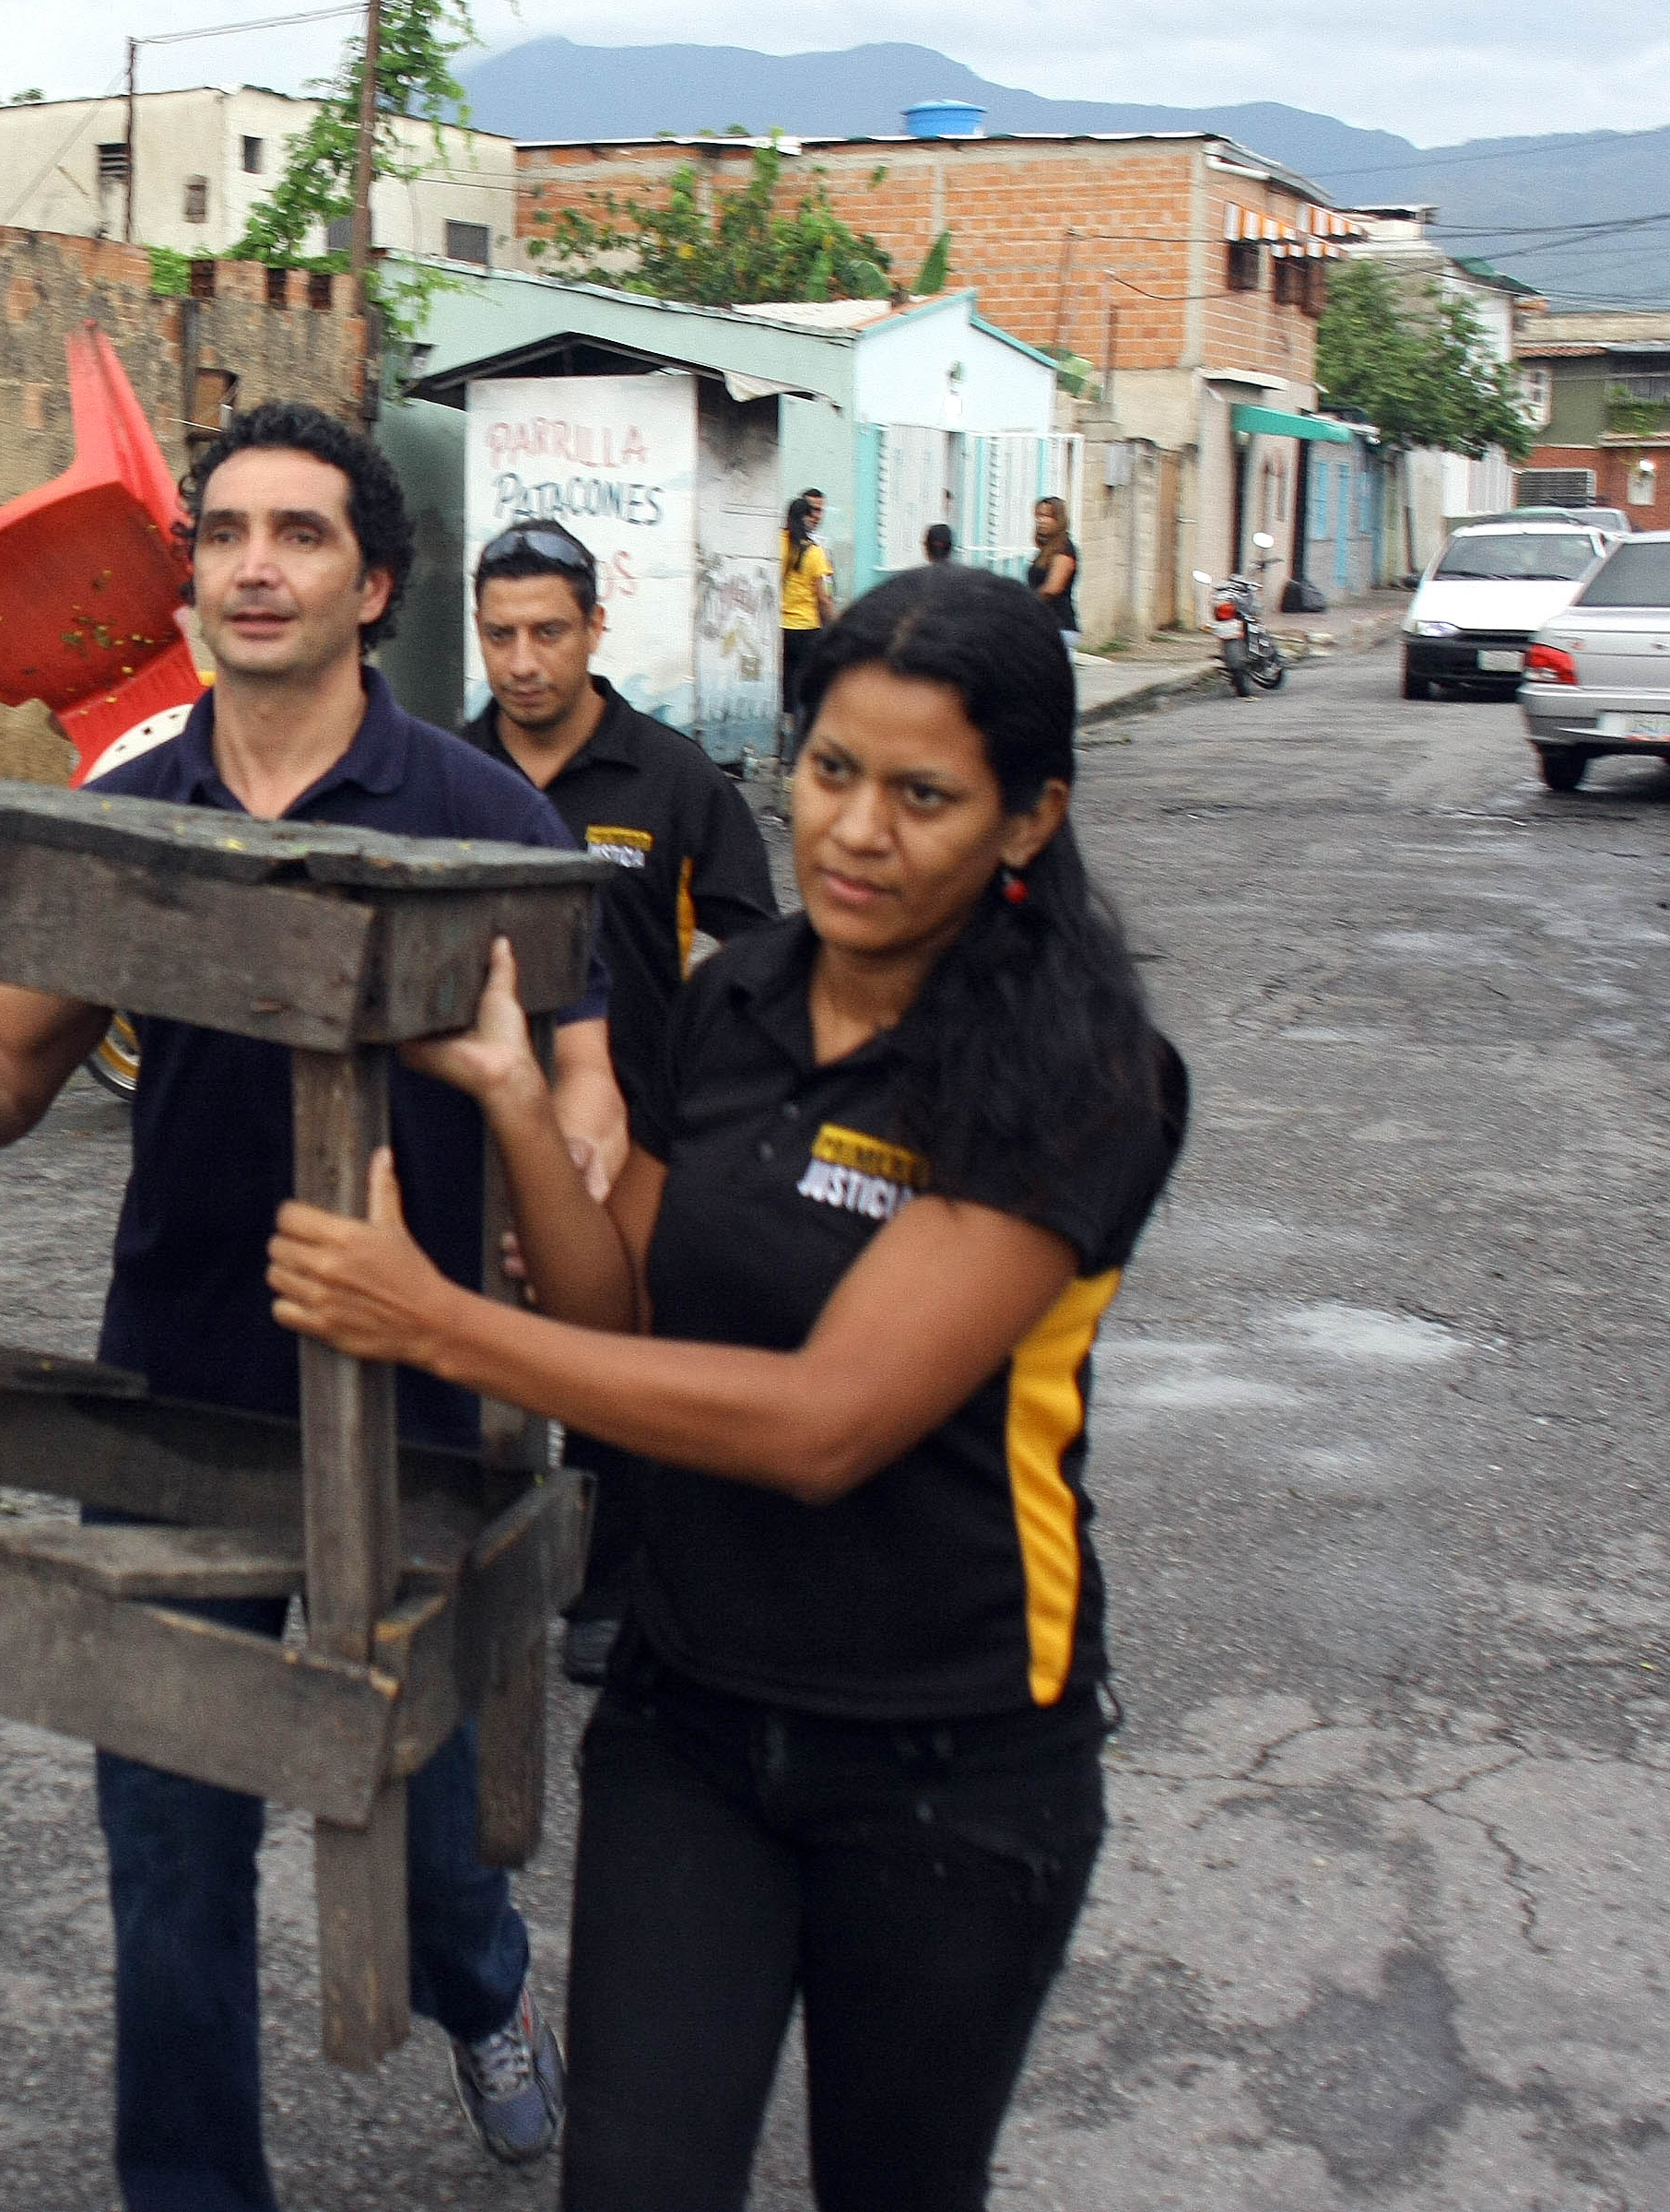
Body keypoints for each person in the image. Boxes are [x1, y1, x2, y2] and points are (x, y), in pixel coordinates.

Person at [0, 405, 622, 2205]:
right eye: (225, 532)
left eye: (299, 536)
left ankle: (487, 1990)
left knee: (435, 1831)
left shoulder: (488, 821)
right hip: (168, 1408)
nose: (254, 565)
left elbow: (586, 1107)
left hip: (417, 1416)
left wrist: (565, 1224)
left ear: (372, 585)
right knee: (169, 1855)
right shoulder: (124, 819)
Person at [267, 564, 1188, 2212]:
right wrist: (516, 1103)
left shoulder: (1082, 1071)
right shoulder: (735, 1002)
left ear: (1029, 819)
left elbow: (826, 1426)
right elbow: (617, 1309)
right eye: (833, 771)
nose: (856, 829)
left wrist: (440, 1326)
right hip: (691, 1720)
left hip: (953, 1758)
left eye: (926, 796)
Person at [456, 517, 779, 1686]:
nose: (525, 660)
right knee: (472, 1360)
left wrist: (701, 1120)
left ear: (596, 629)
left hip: (632, 1146)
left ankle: (609, 1584)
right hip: (471, 1130)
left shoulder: (678, 783)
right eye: (501, 635)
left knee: (617, 1363)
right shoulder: (448, 776)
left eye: (550, 631)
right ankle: (467, 1566)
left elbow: (759, 965)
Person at [778, 489, 837, 746]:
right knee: (809, 688)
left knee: (786, 687)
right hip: (807, 628)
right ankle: (801, 744)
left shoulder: (777, 543)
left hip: (782, 627)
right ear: (805, 518)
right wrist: (837, 625)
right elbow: (823, 598)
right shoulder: (814, 552)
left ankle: (784, 740)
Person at [1029, 497, 1082, 647]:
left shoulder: (1064, 549)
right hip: (1044, 625)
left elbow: (1053, 588)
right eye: (1039, 516)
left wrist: (1026, 602)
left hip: (1060, 626)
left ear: (1059, 520)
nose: (1041, 521)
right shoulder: (1046, 550)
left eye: (1048, 516)